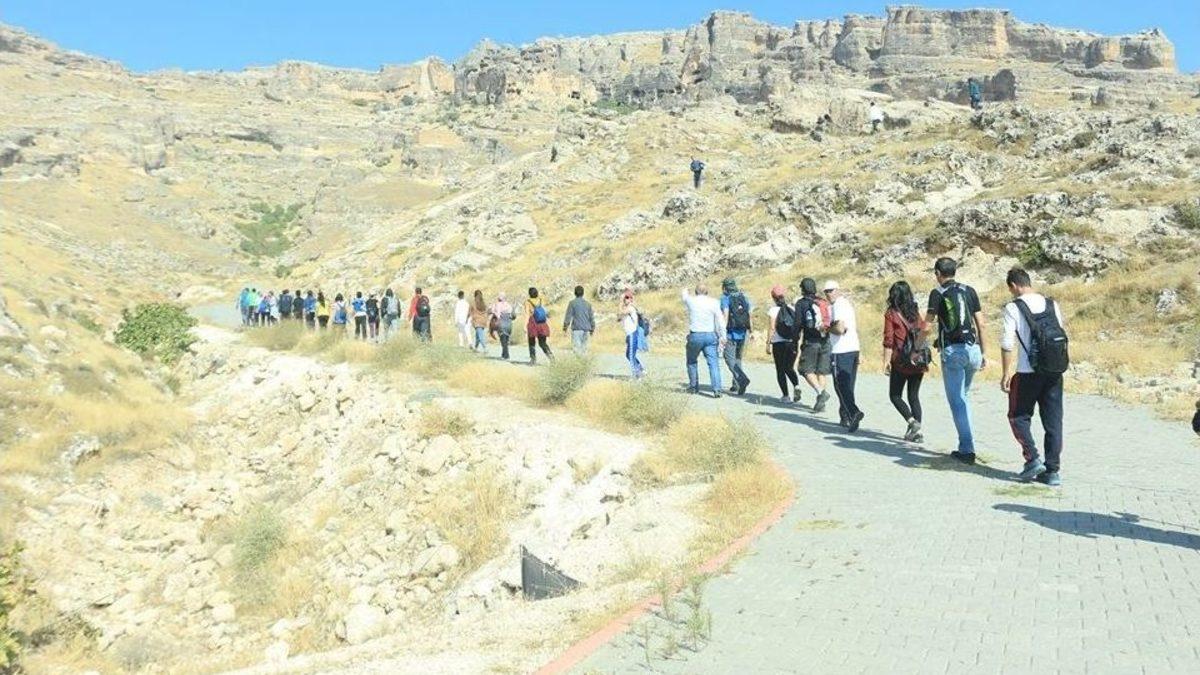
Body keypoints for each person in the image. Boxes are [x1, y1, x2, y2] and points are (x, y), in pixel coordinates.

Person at [1000, 267, 1069, 486]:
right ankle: (1052, 471)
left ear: (1013, 286)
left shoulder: (1013, 307)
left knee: (1017, 416)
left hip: (1027, 372)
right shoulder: (1052, 304)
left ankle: (1032, 459)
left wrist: (1005, 372)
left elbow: (1007, 343)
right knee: (1053, 421)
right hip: (1054, 371)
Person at [926, 257, 988, 463]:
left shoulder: (937, 293)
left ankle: (967, 449)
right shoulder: (969, 290)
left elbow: (927, 326)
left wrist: (917, 347)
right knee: (964, 397)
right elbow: (981, 324)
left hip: (953, 352)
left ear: (937, 273)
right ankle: (967, 443)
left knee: (957, 401)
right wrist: (984, 352)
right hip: (973, 350)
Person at [882, 281, 929, 443]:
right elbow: (923, 331)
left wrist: (886, 361)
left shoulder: (891, 313)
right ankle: (917, 433)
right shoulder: (915, 311)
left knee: (895, 395)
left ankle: (911, 421)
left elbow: (889, 340)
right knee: (914, 396)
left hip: (901, 360)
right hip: (918, 359)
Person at [825, 281, 863, 432]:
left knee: (840, 385)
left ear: (838, 290)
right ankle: (845, 416)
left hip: (841, 350)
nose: (828, 294)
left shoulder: (838, 305)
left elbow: (840, 329)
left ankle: (853, 412)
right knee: (848, 384)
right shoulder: (846, 304)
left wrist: (827, 329)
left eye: (831, 290)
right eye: (826, 291)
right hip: (853, 348)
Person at [794, 278, 832, 412]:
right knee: (821, 371)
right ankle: (821, 404)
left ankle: (821, 393)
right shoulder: (822, 302)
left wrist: (795, 338)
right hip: (826, 340)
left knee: (805, 370)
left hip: (811, 341)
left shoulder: (801, 303)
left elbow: (798, 323)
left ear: (803, 289)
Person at [682, 284, 725, 397]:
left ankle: (694, 386)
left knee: (692, 361)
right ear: (707, 292)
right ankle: (717, 389)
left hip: (695, 335)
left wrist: (685, 289)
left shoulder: (691, 301)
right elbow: (720, 320)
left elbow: (684, 297)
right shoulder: (714, 302)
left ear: (696, 292)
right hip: (710, 335)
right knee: (713, 363)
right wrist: (723, 335)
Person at [766, 285, 800, 403]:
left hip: (778, 343)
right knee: (789, 367)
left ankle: (786, 396)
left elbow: (772, 328)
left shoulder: (773, 311)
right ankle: (796, 386)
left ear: (773, 297)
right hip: (792, 342)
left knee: (780, 369)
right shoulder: (792, 308)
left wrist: (768, 343)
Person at [720, 278, 752, 395]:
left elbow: (726, 315)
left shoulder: (725, 298)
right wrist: (751, 330)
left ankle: (741, 379)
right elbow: (749, 314)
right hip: (743, 332)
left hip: (731, 333)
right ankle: (736, 384)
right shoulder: (744, 297)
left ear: (724, 287)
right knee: (738, 358)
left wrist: (722, 332)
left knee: (729, 358)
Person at [562, 285, 595, 355]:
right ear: (583, 293)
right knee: (584, 350)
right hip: (586, 329)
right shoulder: (588, 304)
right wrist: (592, 329)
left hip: (577, 329)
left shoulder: (572, 303)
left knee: (577, 350)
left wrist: (565, 328)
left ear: (575, 293)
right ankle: (584, 361)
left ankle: (578, 362)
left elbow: (568, 316)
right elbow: (591, 317)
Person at [619, 291, 645, 379]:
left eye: (627, 298)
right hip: (629, 334)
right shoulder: (627, 308)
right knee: (628, 354)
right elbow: (619, 317)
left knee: (630, 355)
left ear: (631, 299)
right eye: (625, 298)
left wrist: (620, 301)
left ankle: (636, 375)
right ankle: (640, 369)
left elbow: (621, 312)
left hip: (632, 334)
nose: (625, 299)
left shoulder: (631, 308)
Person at [524, 287, 554, 364]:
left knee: (531, 342)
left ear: (529, 294)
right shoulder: (540, 300)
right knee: (542, 342)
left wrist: (525, 326)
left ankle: (533, 359)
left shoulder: (527, 302)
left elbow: (527, 314)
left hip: (533, 323)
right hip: (541, 323)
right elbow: (545, 312)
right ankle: (551, 357)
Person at [491, 292, 515, 360]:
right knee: (506, 340)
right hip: (509, 324)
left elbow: (497, 315)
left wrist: (494, 313)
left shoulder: (498, 304)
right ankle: (503, 354)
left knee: (503, 340)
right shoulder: (508, 305)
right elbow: (513, 315)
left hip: (502, 323)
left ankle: (506, 355)